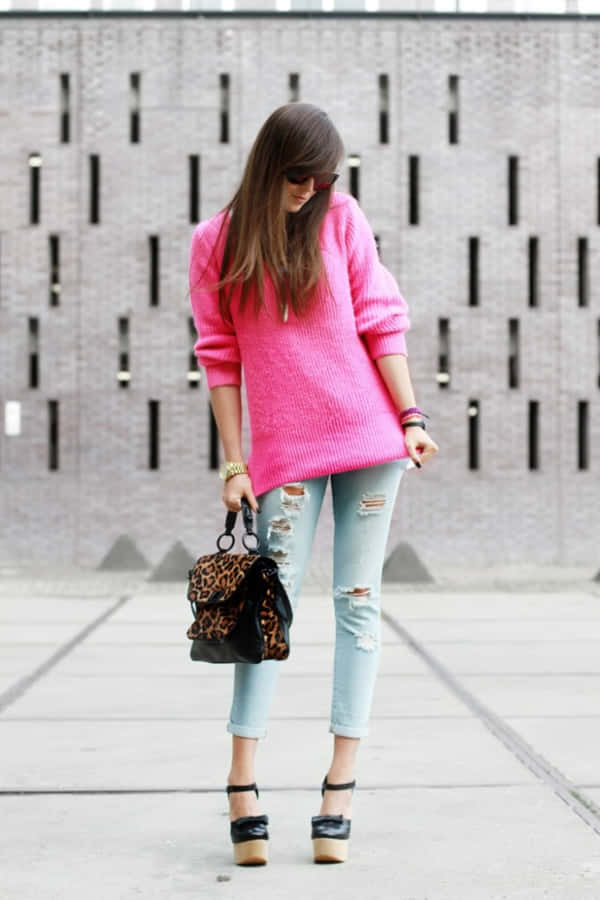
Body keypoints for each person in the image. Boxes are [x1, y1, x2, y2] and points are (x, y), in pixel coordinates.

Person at [188, 102, 439, 866]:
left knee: (359, 608)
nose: (311, 190)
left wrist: (411, 414)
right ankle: (243, 786)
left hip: (371, 441)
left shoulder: (342, 219)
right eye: (300, 177)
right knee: (264, 614)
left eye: (324, 179)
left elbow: (380, 322)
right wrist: (236, 463)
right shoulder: (215, 243)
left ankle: (339, 788)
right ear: (272, 166)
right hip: (286, 460)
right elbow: (220, 358)